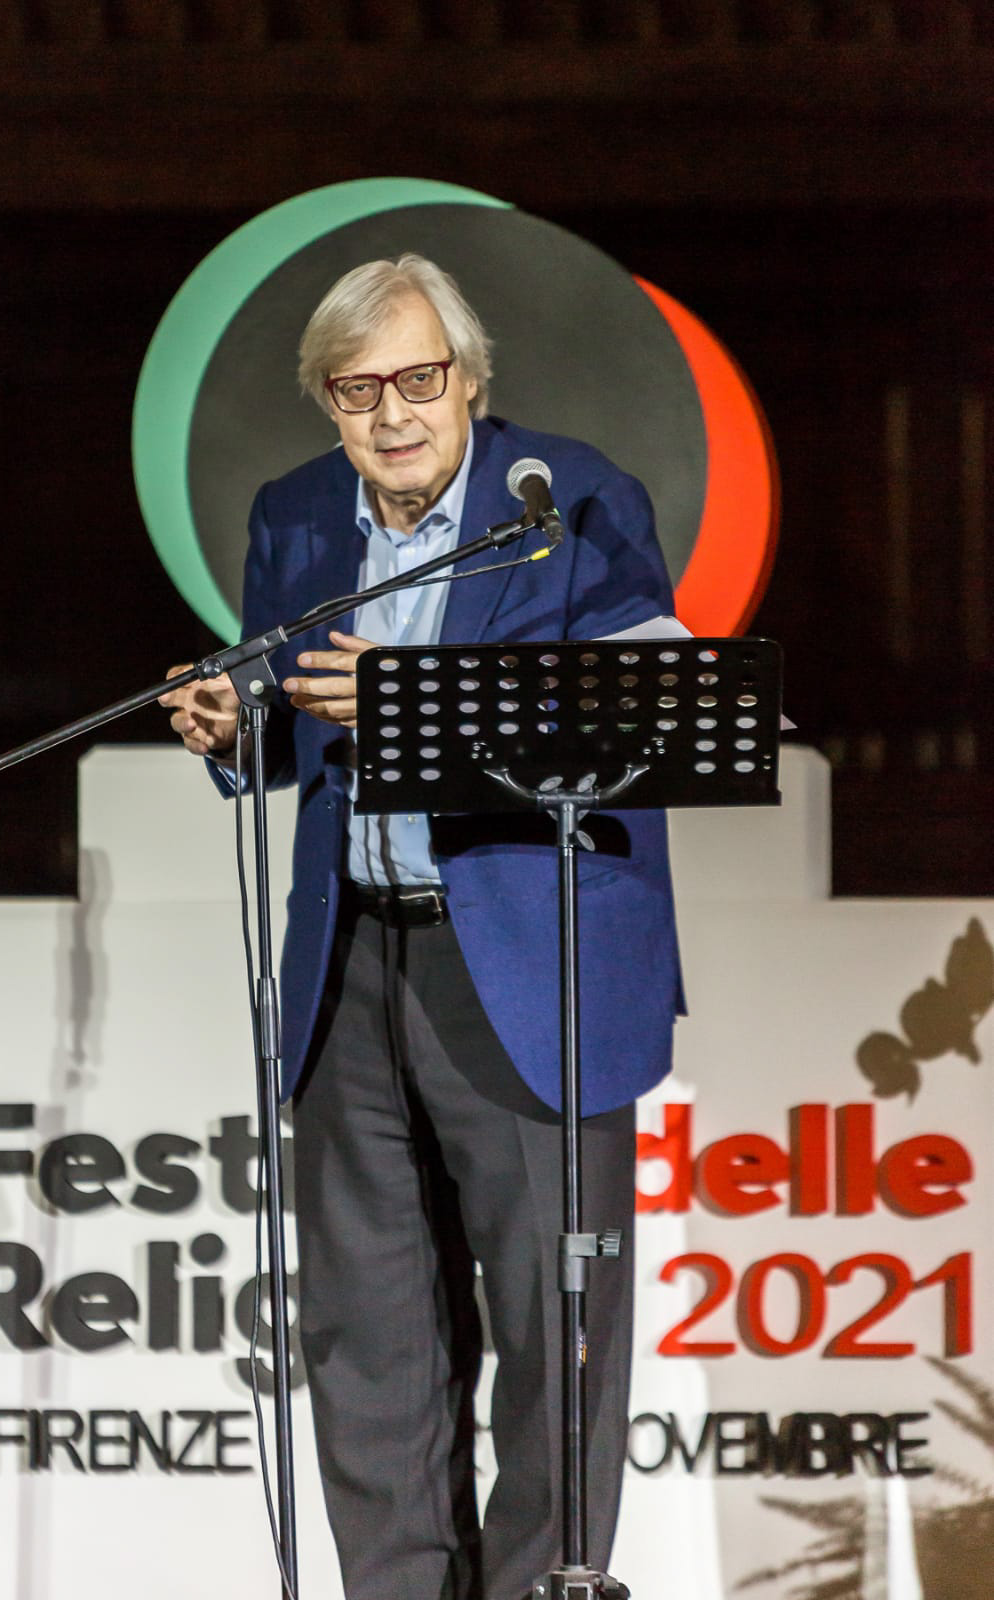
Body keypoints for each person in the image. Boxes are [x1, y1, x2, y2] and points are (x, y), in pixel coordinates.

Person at [161, 254, 683, 1600]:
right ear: (326, 402)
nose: (390, 414)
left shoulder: (567, 501)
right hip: (350, 962)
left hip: (529, 963)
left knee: (551, 1343)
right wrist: (235, 723)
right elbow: (289, 721)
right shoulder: (294, 514)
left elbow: (643, 717)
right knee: (369, 1346)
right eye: (357, 390)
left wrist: (415, 699)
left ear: (470, 380)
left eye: (417, 380)